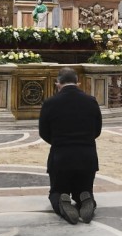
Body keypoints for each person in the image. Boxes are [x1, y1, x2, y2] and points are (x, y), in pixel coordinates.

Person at [39, 68, 102, 224]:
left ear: (58, 84)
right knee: (85, 189)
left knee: (56, 191)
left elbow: (43, 132)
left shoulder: (50, 103)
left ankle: (62, 201)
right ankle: (86, 200)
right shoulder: (91, 101)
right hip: (87, 158)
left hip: (61, 158)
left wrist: (58, 142)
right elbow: (97, 129)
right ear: (77, 83)